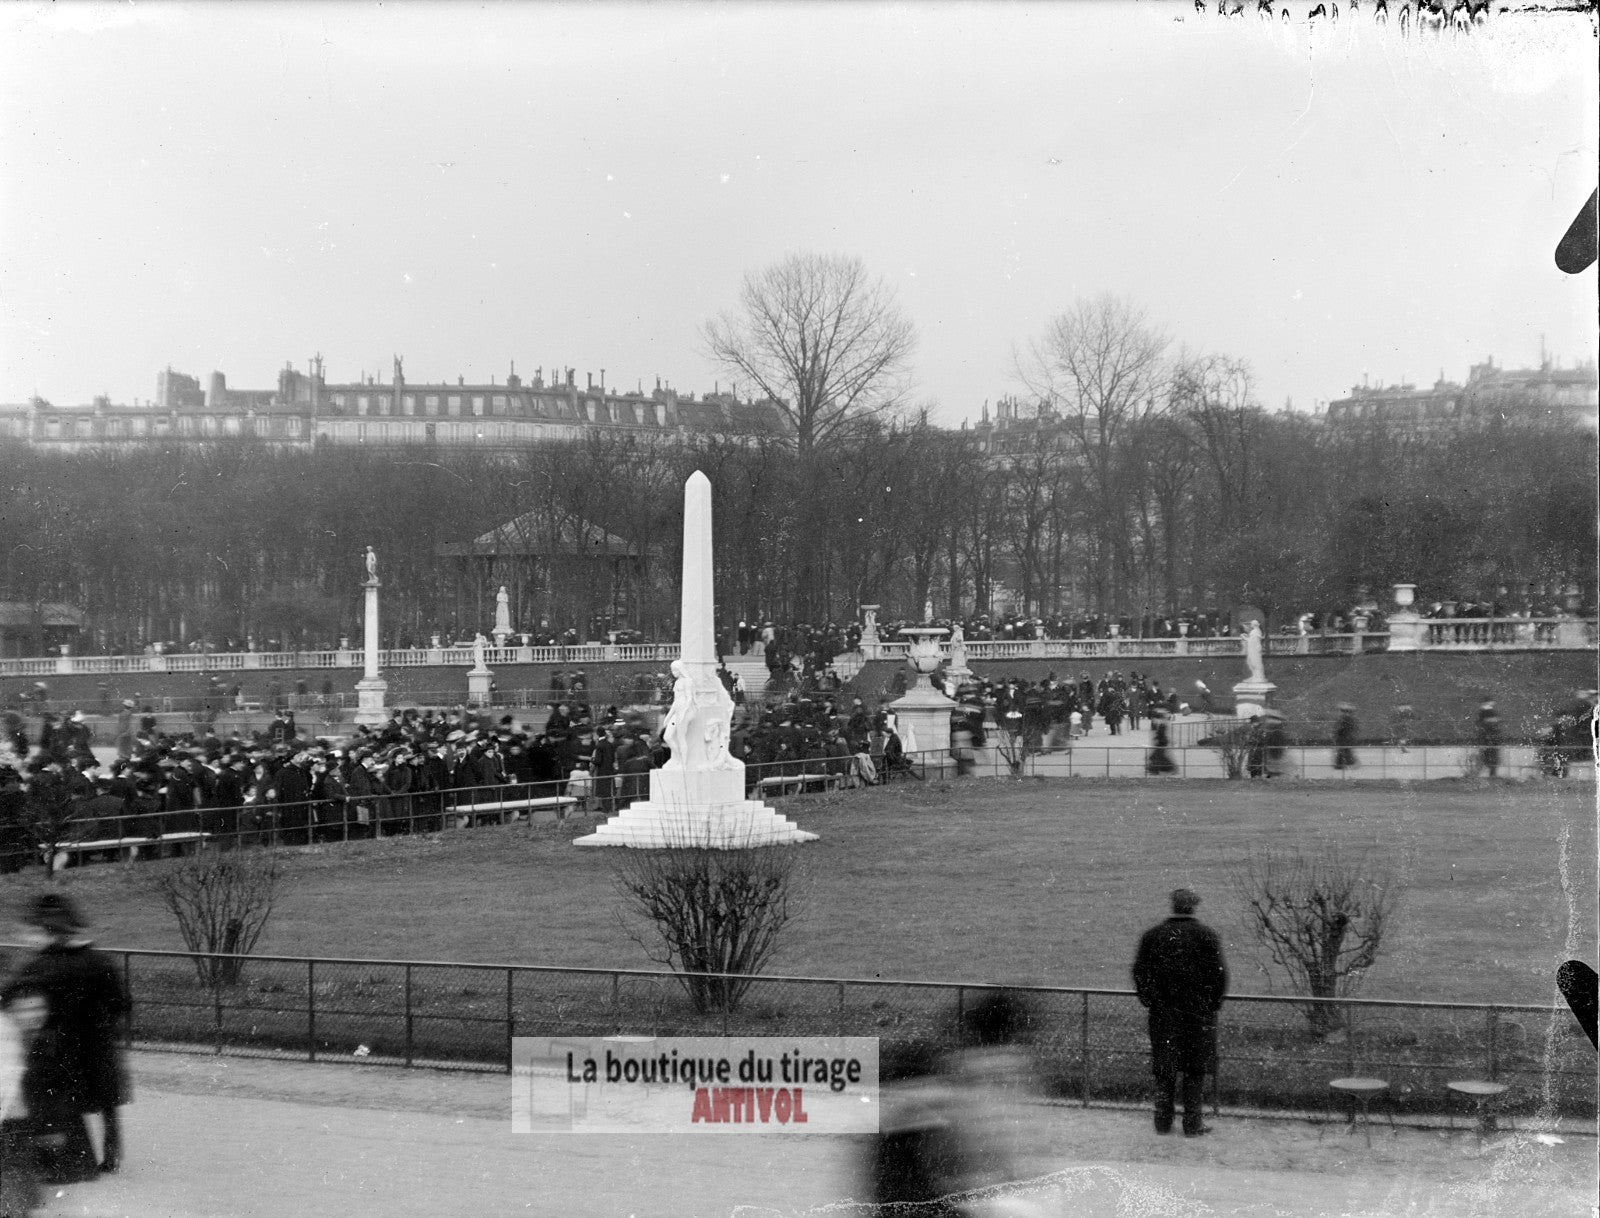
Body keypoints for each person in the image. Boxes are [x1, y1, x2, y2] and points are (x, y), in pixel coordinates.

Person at [1, 892, 130, 1180]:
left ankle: (64, 1160)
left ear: (46, 930)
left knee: (60, 1102)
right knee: (103, 1098)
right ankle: (110, 1153)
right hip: (97, 1044)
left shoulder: (39, 966)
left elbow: (10, 999)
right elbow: (120, 1004)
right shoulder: (100, 961)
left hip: (59, 1048)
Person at [1132, 888, 1227, 1137]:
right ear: (1193, 907)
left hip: (1163, 1013)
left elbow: (1140, 971)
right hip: (1198, 1014)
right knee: (1195, 1070)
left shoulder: (1153, 936)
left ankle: (1162, 1123)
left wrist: (1149, 999)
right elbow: (1219, 975)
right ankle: (1192, 1124)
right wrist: (1211, 1005)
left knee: (1165, 1067)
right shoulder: (1206, 935)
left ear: (1173, 906)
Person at [1476, 699, 1502, 778]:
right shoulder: (1487, 712)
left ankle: (1491, 774)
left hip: (1489, 739)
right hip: (1489, 739)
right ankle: (1491, 774)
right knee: (1490, 757)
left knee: (1490, 757)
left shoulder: (1484, 712)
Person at [1332, 703, 1358, 771]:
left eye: (1342, 710)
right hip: (1346, 738)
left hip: (1344, 738)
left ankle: (1341, 765)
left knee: (1343, 750)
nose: (1340, 712)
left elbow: (1341, 729)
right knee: (1344, 750)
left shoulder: (1345, 719)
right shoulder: (1348, 718)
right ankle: (1344, 764)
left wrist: (1337, 734)